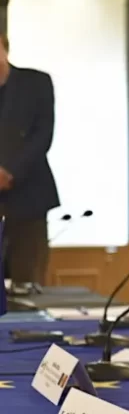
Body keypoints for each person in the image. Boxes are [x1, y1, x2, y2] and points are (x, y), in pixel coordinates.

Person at [0, 32, 59, 284]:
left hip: (27, 197)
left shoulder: (36, 83)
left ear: (4, 48)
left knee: (28, 283)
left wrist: (10, 172)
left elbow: (42, 135)